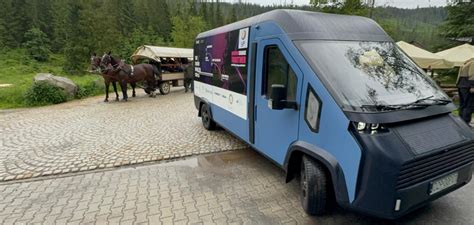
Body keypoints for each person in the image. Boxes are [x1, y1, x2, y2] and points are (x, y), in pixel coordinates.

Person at [456, 58, 474, 125]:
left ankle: (460, 122)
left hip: (462, 85)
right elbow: (472, 74)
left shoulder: (465, 63)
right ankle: (465, 123)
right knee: (469, 105)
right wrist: (473, 86)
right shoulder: (473, 63)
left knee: (463, 105)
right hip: (468, 86)